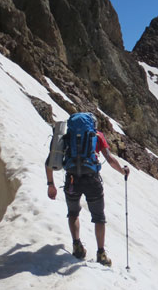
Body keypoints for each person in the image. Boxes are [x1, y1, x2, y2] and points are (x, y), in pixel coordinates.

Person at [45, 113, 129, 266]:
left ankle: (77, 246)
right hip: (92, 180)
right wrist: (123, 171)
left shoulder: (66, 136)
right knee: (99, 217)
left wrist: (51, 184)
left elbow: (50, 161)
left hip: (71, 180)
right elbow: (109, 159)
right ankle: (101, 253)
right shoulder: (96, 135)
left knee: (73, 213)